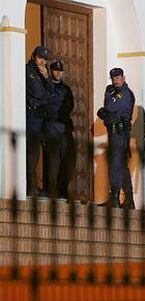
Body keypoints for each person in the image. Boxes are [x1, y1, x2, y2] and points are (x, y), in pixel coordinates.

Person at [97, 68, 135, 209]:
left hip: (120, 133)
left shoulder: (124, 93)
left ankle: (115, 199)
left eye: (118, 78)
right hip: (114, 132)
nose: (115, 80)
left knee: (115, 164)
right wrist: (106, 113)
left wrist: (105, 111)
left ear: (123, 78)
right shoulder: (114, 92)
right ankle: (129, 199)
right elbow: (108, 112)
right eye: (113, 78)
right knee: (120, 165)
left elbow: (109, 107)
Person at [43, 60, 75, 198]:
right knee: (53, 160)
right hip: (50, 127)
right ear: (51, 71)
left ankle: (63, 189)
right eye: (56, 70)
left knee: (66, 160)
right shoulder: (45, 86)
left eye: (60, 71)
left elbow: (70, 105)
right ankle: (52, 190)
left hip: (63, 128)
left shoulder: (66, 89)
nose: (58, 73)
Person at [26, 46, 54, 195]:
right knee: (31, 151)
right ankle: (30, 186)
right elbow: (39, 93)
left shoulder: (41, 72)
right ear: (33, 56)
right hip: (31, 116)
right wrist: (45, 94)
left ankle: (35, 185)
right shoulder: (29, 71)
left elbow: (51, 93)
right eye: (40, 58)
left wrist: (47, 78)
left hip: (40, 117)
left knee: (36, 151)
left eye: (44, 58)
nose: (42, 61)